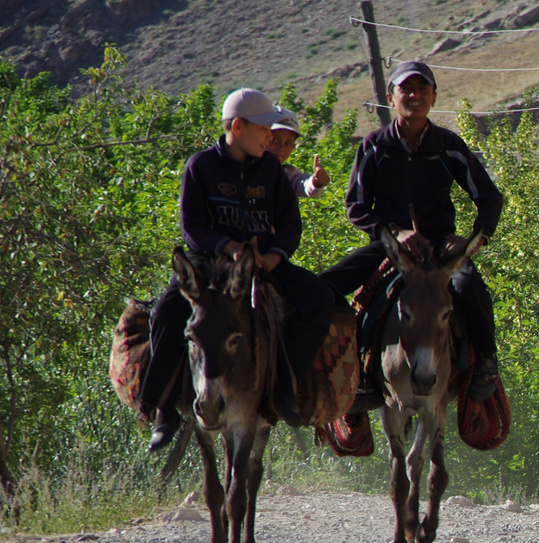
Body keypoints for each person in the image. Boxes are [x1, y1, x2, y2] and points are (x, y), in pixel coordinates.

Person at [139, 88, 335, 450]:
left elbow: (290, 224)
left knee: (319, 299)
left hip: (260, 263)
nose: (270, 138)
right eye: (264, 131)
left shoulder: (271, 169)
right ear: (239, 126)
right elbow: (193, 227)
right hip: (208, 263)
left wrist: (274, 257)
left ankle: (284, 390)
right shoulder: (200, 166)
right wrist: (228, 248)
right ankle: (161, 408)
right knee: (167, 312)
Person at [323, 60, 505, 400]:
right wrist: (393, 232)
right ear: (391, 98)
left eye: (423, 89)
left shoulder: (449, 145)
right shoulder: (374, 146)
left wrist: (471, 240)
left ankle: (486, 364)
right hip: (389, 247)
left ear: (434, 98)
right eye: (406, 89)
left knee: (471, 287)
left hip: (439, 249)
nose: (415, 95)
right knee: (325, 288)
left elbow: (490, 198)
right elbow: (356, 206)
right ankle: (352, 368)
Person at [267, 108, 331, 200]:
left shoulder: (287, 175)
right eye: (274, 140)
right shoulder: (245, 169)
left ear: (293, 147)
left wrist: (315, 182)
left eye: (288, 144)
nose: (281, 148)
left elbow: (303, 184)